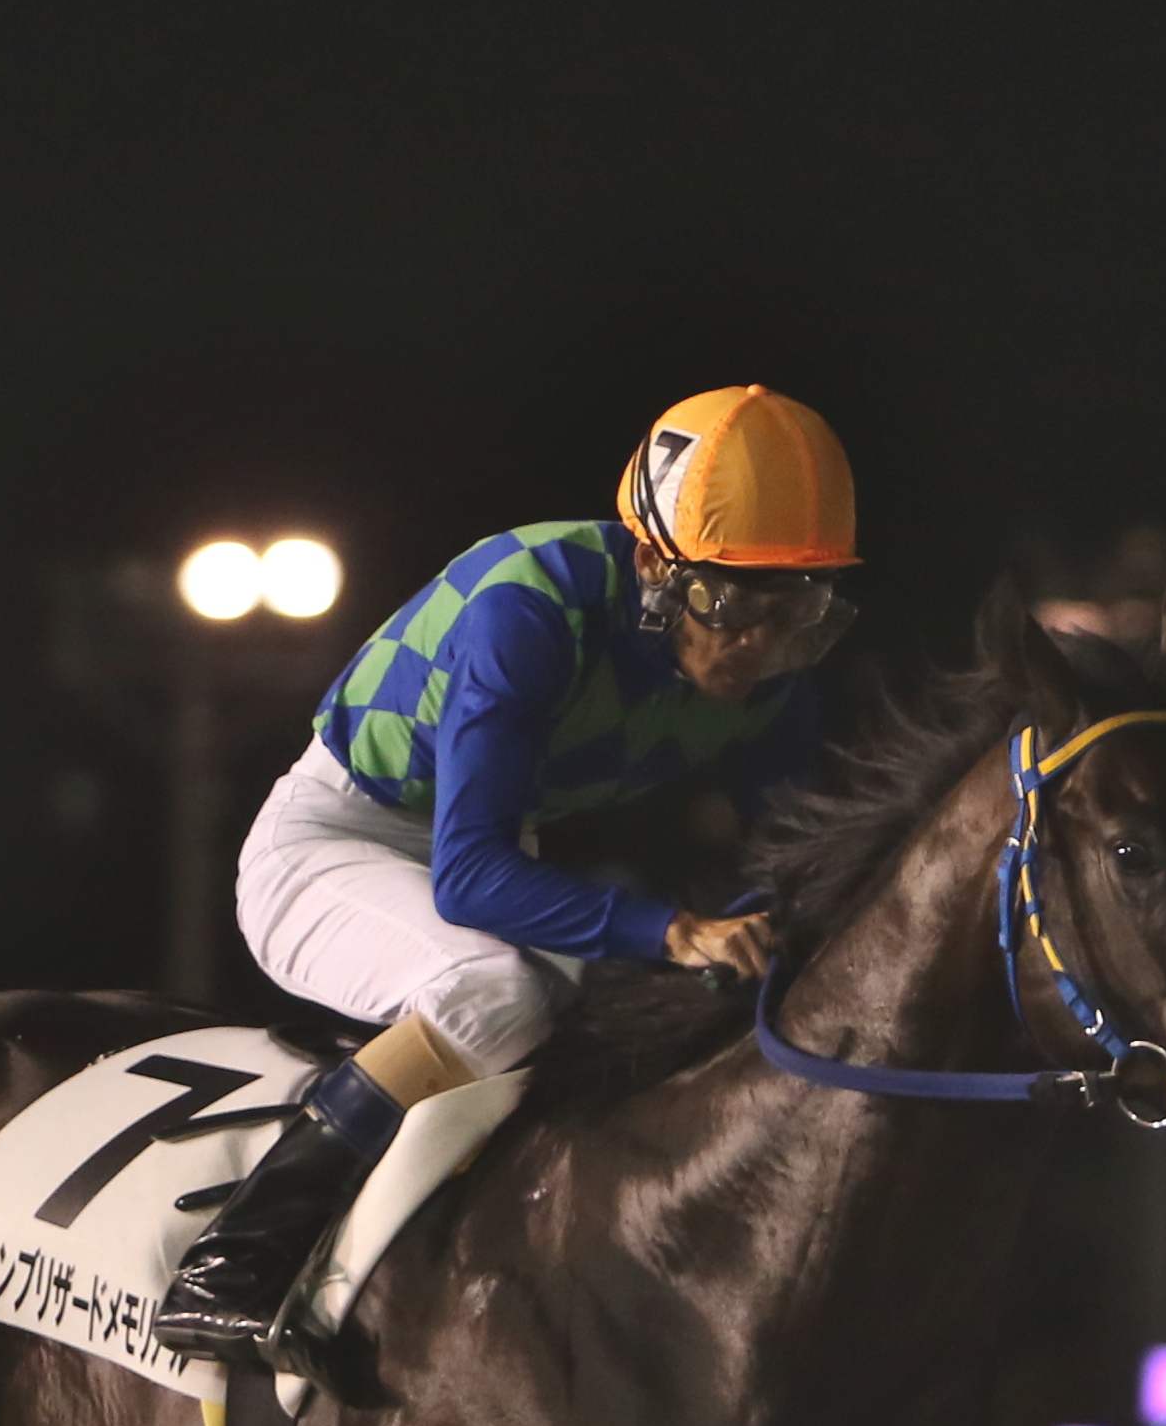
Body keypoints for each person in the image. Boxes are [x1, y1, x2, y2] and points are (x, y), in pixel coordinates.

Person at [151, 385, 861, 1366]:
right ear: (655, 559)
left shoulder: (766, 671)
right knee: (491, 992)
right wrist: (671, 930)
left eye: (797, 611)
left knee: (603, 1026)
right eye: (732, 604)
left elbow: (804, 855)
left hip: (487, 852)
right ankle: (233, 1258)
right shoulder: (530, 606)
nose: (756, 648)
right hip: (333, 846)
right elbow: (470, 879)